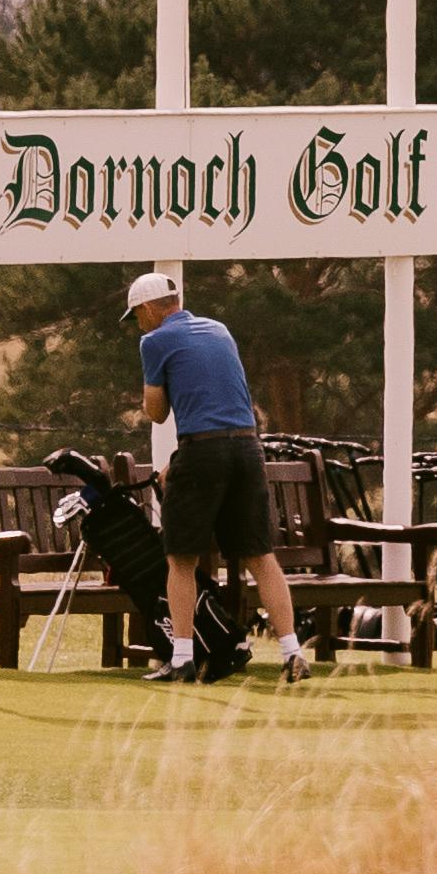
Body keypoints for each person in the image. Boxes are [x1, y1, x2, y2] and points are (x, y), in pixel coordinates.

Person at [125, 265, 312, 683]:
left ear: (153, 308)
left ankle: (183, 658)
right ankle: (292, 653)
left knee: (180, 559)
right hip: (247, 448)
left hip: (204, 451)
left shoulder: (153, 341)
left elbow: (156, 413)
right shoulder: (219, 329)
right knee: (261, 556)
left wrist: (159, 402)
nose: (138, 322)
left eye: (138, 313)